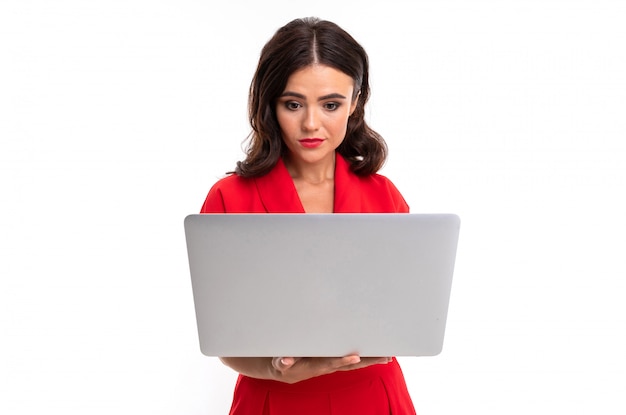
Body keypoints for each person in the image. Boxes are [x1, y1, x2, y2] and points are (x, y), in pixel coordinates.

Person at [200, 17, 416, 415]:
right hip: (273, 398)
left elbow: (406, 316)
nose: (311, 124)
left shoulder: (384, 196)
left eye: (331, 104)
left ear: (355, 102)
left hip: (372, 396)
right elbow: (223, 340)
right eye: (293, 104)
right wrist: (273, 368)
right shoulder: (229, 198)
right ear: (270, 104)